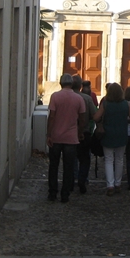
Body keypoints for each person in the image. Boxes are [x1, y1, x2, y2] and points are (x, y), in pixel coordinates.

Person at [46, 74, 87, 203]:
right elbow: (82, 119)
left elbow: (52, 116)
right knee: (68, 167)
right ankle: (65, 194)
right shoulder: (78, 98)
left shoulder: (55, 96)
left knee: (54, 166)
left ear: (60, 83)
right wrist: (80, 132)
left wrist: (49, 134)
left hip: (56, 136)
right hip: (71, 137)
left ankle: (52, 193)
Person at [92, 83, 130, 196]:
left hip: (108, 134)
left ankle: (110, 185)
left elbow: (96, 117)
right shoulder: (126, 104)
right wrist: (127, 121)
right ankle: (118, 183)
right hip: (121, 134)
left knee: (108, 159)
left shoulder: (106, 104)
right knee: (119, 159)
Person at [72, 75, 97, 194]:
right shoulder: (87, 98)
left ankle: (72, 178)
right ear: (80, 86)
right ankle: (82, 179)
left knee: (71, 157)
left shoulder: (64, 97)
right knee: (85, 159)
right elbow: (94, 115)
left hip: (69, 133)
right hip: (84, 132)